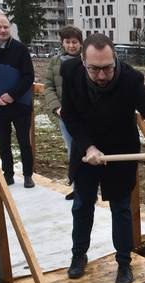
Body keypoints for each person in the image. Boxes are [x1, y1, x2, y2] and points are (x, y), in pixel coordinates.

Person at [60, 33, 145, 283]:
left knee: (121, 209)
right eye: (94, 69)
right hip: (86, 153)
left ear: (116, 59)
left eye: (107, 68)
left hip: (121, 150)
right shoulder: (70, 72)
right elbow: (70, 115)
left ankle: (124, 262)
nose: (101, 75)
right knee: (82, 205)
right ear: (82, 61)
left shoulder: (131, 79)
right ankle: (79, 255)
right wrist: (88, 146)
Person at [0, 13, 35, 188]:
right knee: (4, 142)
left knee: (24, 142)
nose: (2, 30)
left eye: (5, 26)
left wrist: (12, 95)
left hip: (19, 104)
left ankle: (27, 175)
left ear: (10, 27)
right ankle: (8, 174)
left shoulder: (20, 49)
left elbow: (28, 76)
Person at [44, 25, 83, 200]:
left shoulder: (86, 61)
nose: (71, 45)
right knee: (71, 150)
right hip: (65, 116)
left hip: (84, 117)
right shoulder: (54, 62)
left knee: (87, 150)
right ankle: (77, 187)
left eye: (74, 42)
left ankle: (90, 187)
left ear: (80, 43)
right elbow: (49, 86)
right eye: (67, 42)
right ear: (62, 43)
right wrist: (57, 107)